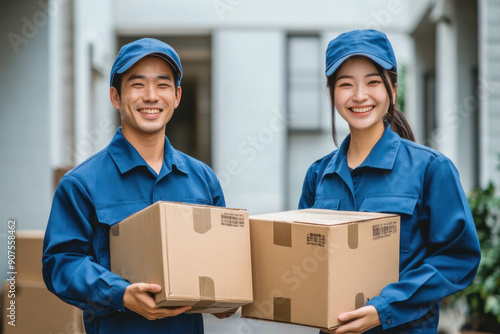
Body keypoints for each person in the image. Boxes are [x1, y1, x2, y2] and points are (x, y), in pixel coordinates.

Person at [43, 38, 234, 334]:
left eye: (162, 84)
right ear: (115, 97)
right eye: (137, 84)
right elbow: (61, 264)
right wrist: (120, 294)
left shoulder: (203, 180)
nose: (150, 96)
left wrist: (226, 297)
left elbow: (222, 260)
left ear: (177, 95)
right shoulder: (82, 183)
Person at [298, 29, 481, 334]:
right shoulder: (318, 175)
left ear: (393, 89)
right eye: (346, 84)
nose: (359, 95)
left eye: (373, 81)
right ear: (331, 95)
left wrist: (385, 308)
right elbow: (304, 260)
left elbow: (458, 256)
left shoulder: (431, 169)